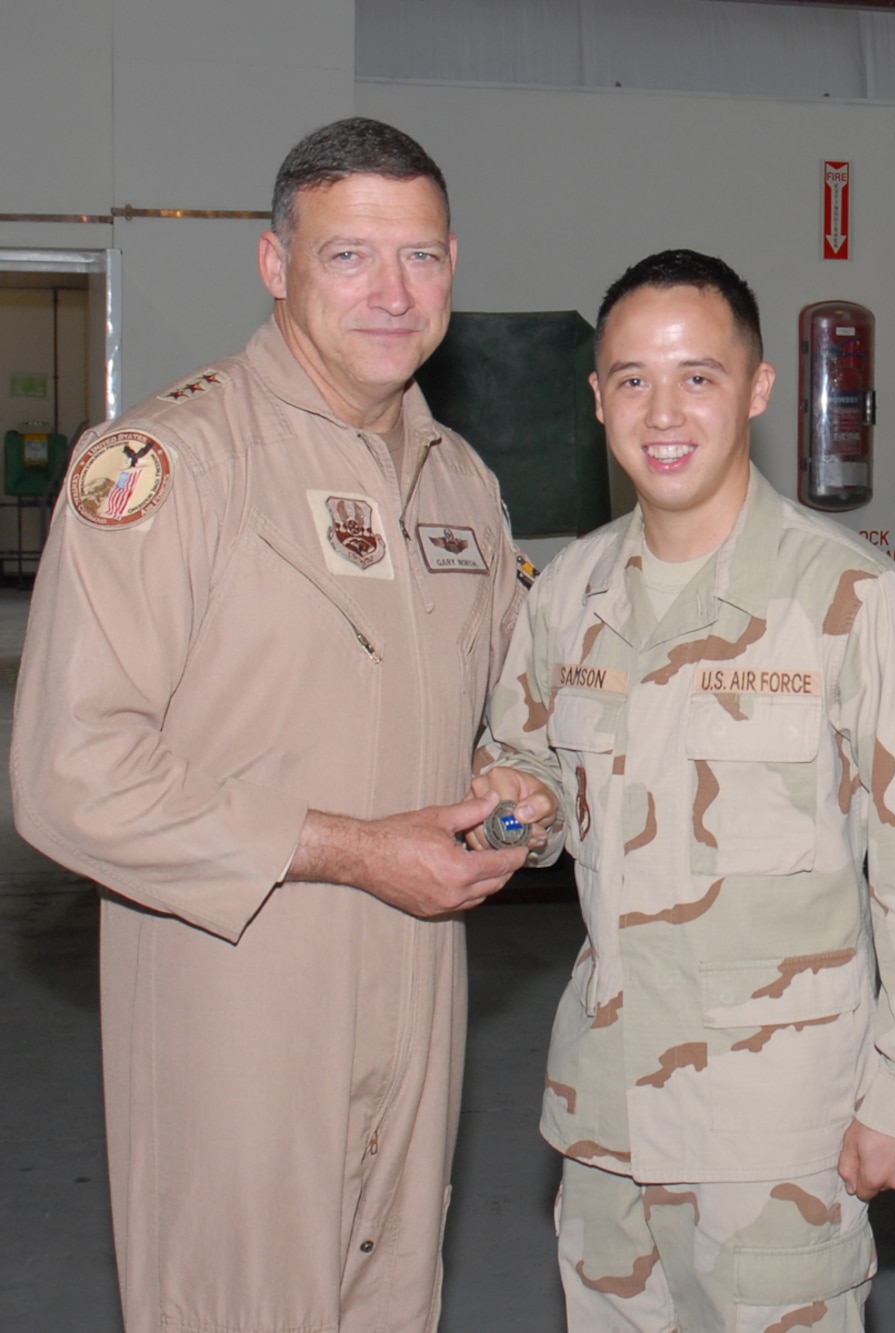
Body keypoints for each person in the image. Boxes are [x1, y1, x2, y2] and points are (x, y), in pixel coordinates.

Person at [11, 119, 533, 1331]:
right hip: (238, 1000)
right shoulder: (168, 464)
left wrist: (523, 785)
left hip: (422, 995)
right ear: (273, 263)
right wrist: (353, 848)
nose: (393, 294)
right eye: (350, 256)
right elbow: (66, 774)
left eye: (422, 258)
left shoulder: (460, 480)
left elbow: (511, 705)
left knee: (393, 1304)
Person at [473, 249, 895, 1331]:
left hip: (773, 1141)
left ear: (758, 390)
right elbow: (531, 764)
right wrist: (518, 807)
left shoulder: (850, 603)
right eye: (631, 379)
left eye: (698, 377)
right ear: (596, 398)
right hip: (604, 1117)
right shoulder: (571, 590)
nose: (662, 411)